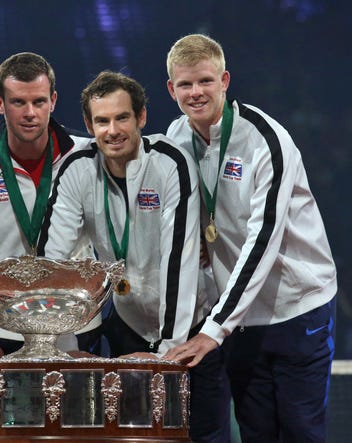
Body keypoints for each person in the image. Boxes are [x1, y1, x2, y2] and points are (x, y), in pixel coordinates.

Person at [37, 71, 229, 441]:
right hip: (129, 326)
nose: (113, 130)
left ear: (140, 118)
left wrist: (168, 353)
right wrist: (61, 347)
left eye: (122, 117)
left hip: (189, 329)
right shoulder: (77, 169)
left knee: (204, 434)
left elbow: (182, 261)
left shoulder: (170, 163)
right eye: (102, 121)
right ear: (89, 125)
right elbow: (53, 265)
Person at [164, 33, 337, 443]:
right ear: (171, 89)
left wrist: (214, 327)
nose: (196, 92)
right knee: (257, 432)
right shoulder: (175, 137)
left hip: (297, 306)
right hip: (240, 319)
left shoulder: (266, 140)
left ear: (224, 80)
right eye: (185, 84)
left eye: (205, 81)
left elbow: (263, 240)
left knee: (301, 432)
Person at [0, 52, 99, 358]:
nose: (30, 112)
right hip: (0, 324)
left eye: (39, 102)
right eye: (18, 102)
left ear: (53, 100)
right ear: (0, 103)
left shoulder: (86, 155)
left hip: (73, 321)